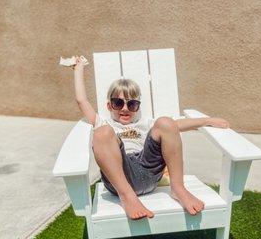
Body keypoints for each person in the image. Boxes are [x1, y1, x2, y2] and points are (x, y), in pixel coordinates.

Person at [73, 55, 229, 220]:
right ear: (109, 105)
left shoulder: (146, 123)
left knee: (166, 122)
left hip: (148, 171)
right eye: (118, 103)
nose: (125, 109)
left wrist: (208, 120)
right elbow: (81, 100)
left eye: (131, 104)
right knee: (102, 132)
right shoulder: (103, 122)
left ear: (137, 107)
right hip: (120, 176)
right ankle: (127, 197)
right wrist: (79, 69)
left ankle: (178, 188)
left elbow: (177, 125)